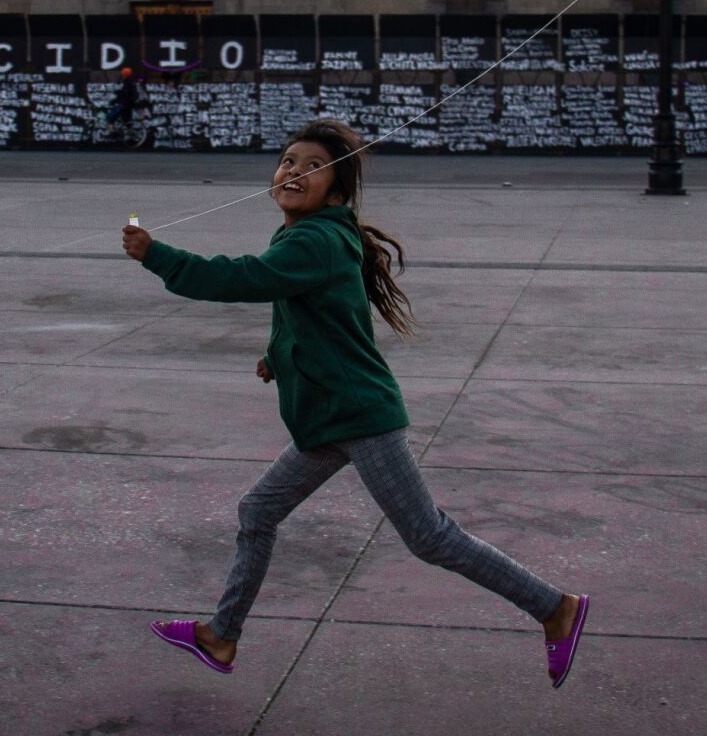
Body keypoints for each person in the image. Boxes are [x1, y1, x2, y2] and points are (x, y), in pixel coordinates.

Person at [121, 119, 589, 688]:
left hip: (360, 418)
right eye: (288, 160)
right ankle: (221, 636)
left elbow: (246, 279)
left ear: (337, 193)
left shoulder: (315, 239)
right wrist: (280, 356)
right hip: (328, 420)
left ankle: (555, 608)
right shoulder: (309, 236)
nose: (294, 170)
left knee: (429, 536)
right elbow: (314, 312)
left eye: (312, 166)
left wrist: (157, 255)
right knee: (258, 511)